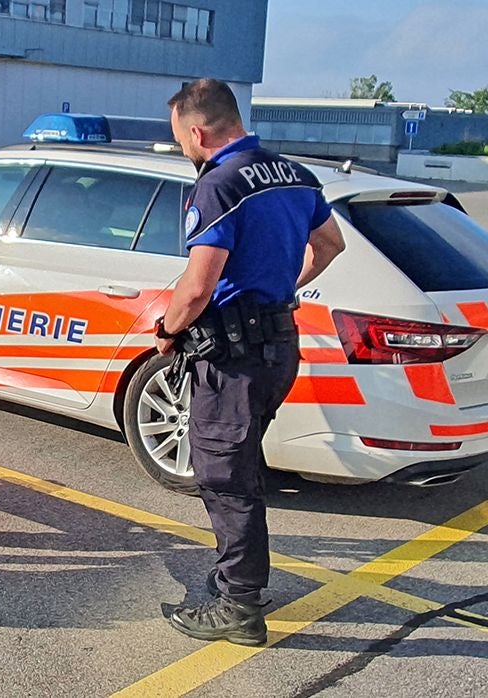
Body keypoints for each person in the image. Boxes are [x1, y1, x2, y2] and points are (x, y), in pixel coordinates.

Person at [156, 79, 346, 644]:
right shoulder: (295, 174)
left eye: (181, 140)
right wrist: (284, 285)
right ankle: (242, 578)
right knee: (241, 465)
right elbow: (331, 244)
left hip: (234, 358)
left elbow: (198, 285)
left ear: (198, 131)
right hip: (279, 346)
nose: (184, 150)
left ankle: (239, 605)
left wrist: (167, 329)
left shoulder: (217, 185)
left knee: (224, 475)